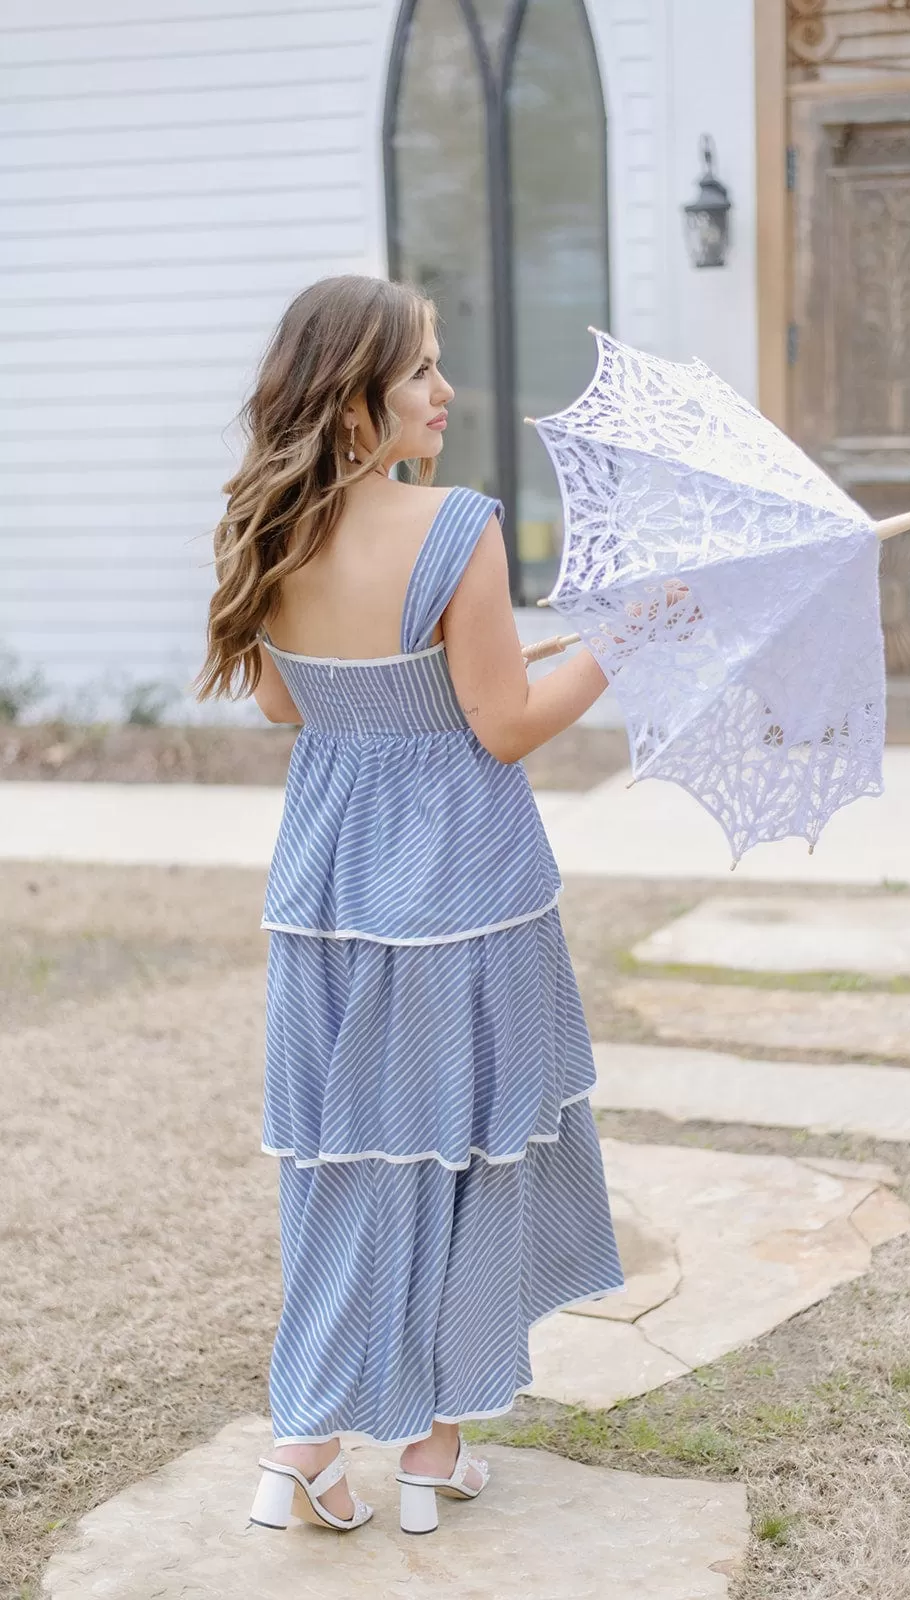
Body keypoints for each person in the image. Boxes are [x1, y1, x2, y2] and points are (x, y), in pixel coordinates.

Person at [193, 274, 624, 1538]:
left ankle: (311, 1447)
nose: (446, 393)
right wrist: (625, 640)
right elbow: (505, 725)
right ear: (355, 399)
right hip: (464, 890)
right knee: (467, 1151)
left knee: (347, 1159)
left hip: (326, 893)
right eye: (424, 370)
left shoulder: (260, 523)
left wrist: (416, 683)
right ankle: (427, 1448)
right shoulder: (460, 524)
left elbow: (291, 706)